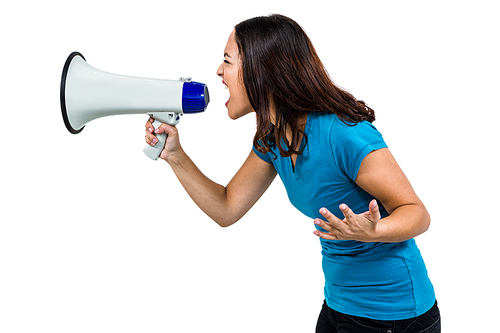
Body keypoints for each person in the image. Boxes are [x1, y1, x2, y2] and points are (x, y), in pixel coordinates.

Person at [145, 14, 440, 333]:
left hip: (395, 315)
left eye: (228, 61)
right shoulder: (274, 139)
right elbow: (227, 207)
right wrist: (175, 156)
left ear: (263, 70)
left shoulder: (342, 134)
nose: (219, 70)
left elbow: (417, 214)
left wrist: (374, 231)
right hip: (338, 306)